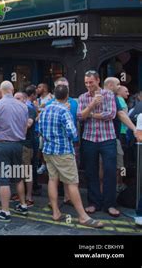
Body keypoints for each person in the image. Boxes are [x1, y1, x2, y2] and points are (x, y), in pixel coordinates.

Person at [39, 85, 104, 228]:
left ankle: (56, 212)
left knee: (52, 179)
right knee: (73, 183)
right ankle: (83, 217)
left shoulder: (44, 110)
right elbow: (73, 133)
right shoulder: (65, 111)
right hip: (63, 152)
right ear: (67, 96)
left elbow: (41, 131)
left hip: (48, 150)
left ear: (54, 95)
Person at [77, 71, 119, 217]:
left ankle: (110, 205)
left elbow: (111, 114)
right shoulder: (83, 97)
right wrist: (93, 104)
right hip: (89, 138)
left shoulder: (108, 95)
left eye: (91, 82)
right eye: (86, 83)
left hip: (108, 138)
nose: (89, 85)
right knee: (91, 171)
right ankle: (94, 203)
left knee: (110, 170)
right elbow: (80, 116)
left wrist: (91, 114)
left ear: (98, 81)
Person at [0, 81, 29, 222]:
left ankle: (5, 212)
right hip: (18, 145)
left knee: (3, 179)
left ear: (0, 91)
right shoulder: (23, 106)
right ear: (12, 90)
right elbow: (24, 129)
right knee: (17, 177)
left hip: (2, 145)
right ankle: (23, 205)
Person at [14, 91, 36, 207]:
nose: (15, 100)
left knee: (27, 172)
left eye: (18, 98)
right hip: (16, 144)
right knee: (18, 172)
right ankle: (20, 194)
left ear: (25, 99)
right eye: (14, 98)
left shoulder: (29, 109)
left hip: (26, 145)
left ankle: (29, 196)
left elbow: (28, 125)